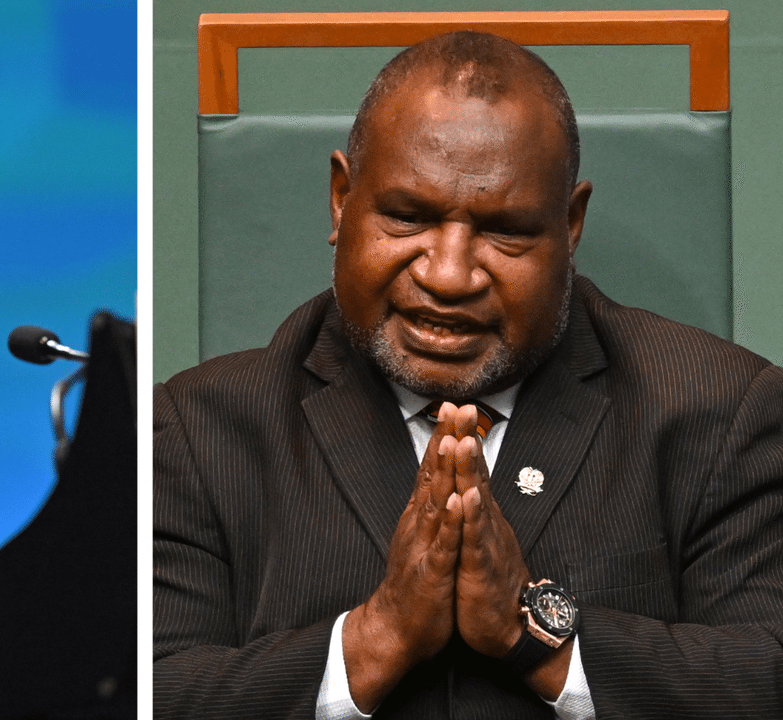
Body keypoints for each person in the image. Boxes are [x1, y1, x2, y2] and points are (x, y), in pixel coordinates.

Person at [154, 31, 783, 720]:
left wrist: (537, 634)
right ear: (341, 200)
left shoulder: (721, 411)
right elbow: (151, 692)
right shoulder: (198, 432)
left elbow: (765, 676)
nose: (448, 275)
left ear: (569, 227)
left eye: (504, 229)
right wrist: (376, 638)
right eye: (407, 217)